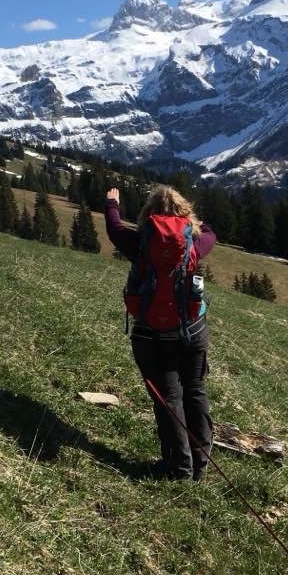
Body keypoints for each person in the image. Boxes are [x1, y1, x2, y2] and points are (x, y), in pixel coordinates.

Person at [105, 185, 217, 481]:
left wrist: (112, 204)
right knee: (195, 389)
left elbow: (115, 229)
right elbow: (211, 234)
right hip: (193, 330)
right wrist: (197, 221)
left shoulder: (141, 242)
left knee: (169, 397)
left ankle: (178, 467)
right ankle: (200, 463)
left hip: (152, 334)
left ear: (149, 214)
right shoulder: (194, 242)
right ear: (184, 213)